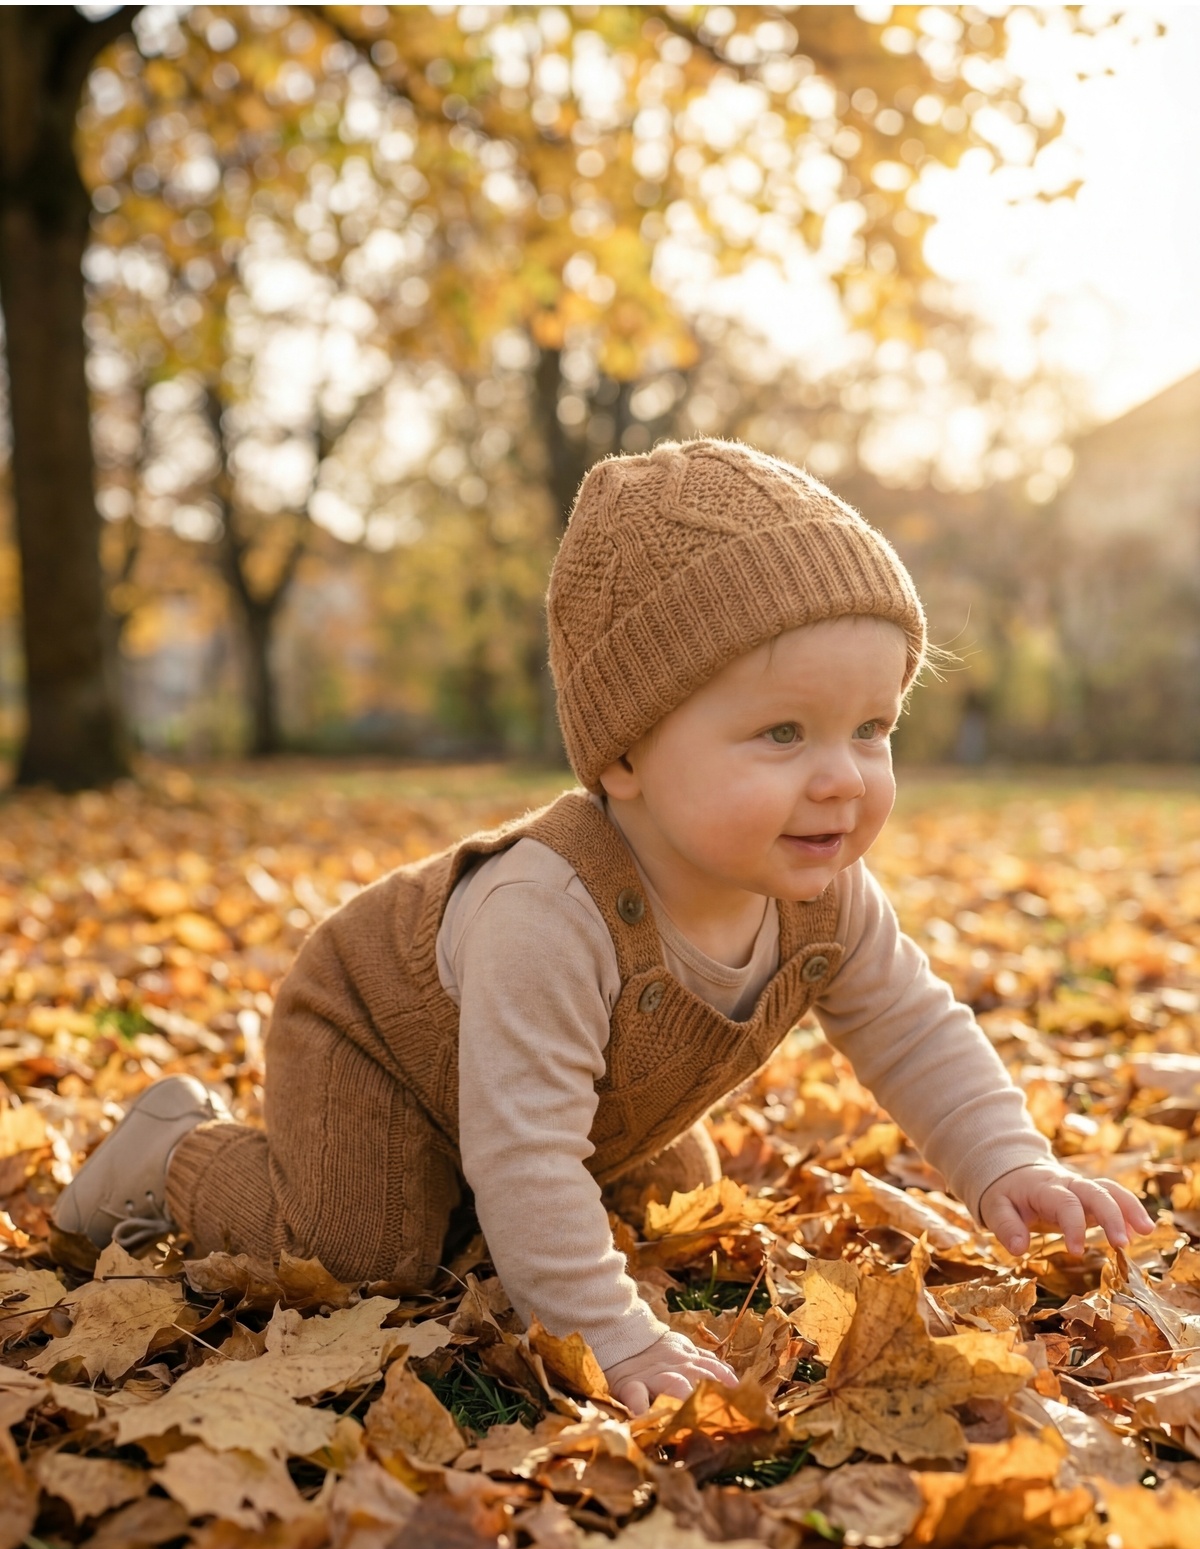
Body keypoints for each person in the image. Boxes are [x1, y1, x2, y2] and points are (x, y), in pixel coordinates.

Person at [55, 439, 1152, 1414]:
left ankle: (494, 1215)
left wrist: (1007, 1162)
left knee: (669, 1203)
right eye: (783, 732)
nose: (842, 780)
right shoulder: (549, 911)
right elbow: (525, 1143)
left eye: (873, 728)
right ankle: (169, 1153)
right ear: (623, 757)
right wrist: (607, 1332)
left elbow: (914, 1027)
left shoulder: (824, 893)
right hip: (376, 1049)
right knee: (367, 1249)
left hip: (568, 1094)